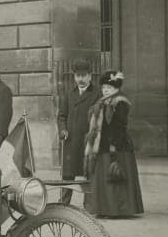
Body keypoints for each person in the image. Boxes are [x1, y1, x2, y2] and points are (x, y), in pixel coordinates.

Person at [82, 71, 143, 218]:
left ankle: (117, 210)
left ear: (116, 89)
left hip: (117, 146)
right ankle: (105, 208)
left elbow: (120, 125)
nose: (106, 90)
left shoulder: (120, 102)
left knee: (115, 177)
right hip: (102, 145)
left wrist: (114, 144)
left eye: (109, 87)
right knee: (104, 177)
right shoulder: (102, 102)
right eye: (104, 87)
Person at [57, 59, 97, 180]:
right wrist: (63, 129)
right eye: (78, 76)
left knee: (89, 175)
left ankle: (89, 199)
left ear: (90, 76)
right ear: (74, 77)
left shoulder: (97, 94)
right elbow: (61, 116)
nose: (80, 79)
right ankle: (64, 199)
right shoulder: (69, 94)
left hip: (87, 141)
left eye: (84, 76)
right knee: (67, 175)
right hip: (71, 141)